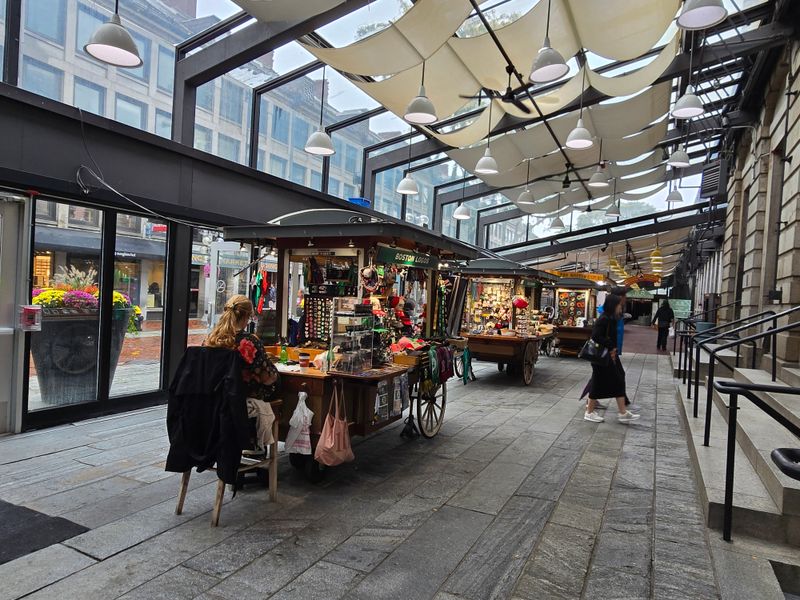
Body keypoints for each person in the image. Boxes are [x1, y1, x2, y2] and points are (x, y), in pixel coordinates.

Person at [205, 295, 281, 450]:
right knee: (277, 383)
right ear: (247, 316)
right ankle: (256, 445)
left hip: (213, 400)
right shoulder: (249, 341)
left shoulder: (210, 339)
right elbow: (268, 377)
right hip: (239, 401)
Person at [585, 294, 640, 424]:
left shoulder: (611, 318)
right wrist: (611, 346)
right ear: (613, 305)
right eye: (619, 305)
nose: (621, 308)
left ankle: (622, 412)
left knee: (618, 379)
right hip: (602, 357)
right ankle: (589, 412)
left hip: (609, 356)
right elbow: (596, 336)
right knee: (601, 383)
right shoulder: (604, 319)